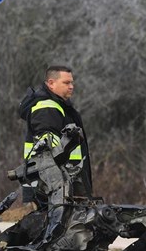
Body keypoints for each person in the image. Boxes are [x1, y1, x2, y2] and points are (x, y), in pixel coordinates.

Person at [18, 65, 93, 200]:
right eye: (66, 83)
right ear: (51, 83)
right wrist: (61, 191)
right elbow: (48, 154)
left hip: (59, 187)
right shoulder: (47, 107)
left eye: (72, 83)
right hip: (53, 190)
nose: (71, 86)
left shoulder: (58, 105)